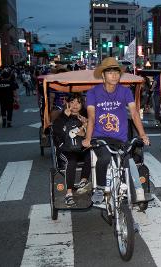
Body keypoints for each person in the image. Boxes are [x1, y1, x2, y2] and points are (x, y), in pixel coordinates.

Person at [82, 57, 150, 204]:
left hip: (120, 138)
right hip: (100, 137)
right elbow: (91, 117)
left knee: (126, 162)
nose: (114, 75)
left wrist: (143, 134)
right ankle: (100, 189)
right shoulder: (92, 93)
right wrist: (88, 139)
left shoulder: (125, 92)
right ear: (103, 75)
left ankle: (134, 193)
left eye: (116, 72)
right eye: (110, 72)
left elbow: (134, 113)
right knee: (105, 158)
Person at [53, 93, 91, 206]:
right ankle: (69, 194)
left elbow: (91, 136)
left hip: (81, 148)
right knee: (72, 161)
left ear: (82, 104)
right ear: (67, 103)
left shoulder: (85, 117)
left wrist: (85, 129)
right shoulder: (61, 117)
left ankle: (83, 181)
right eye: (72, 102)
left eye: (78, 102)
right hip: (66, 150)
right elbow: (57, 132)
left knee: (91, 155)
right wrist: (65, 116)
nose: (75, 105)